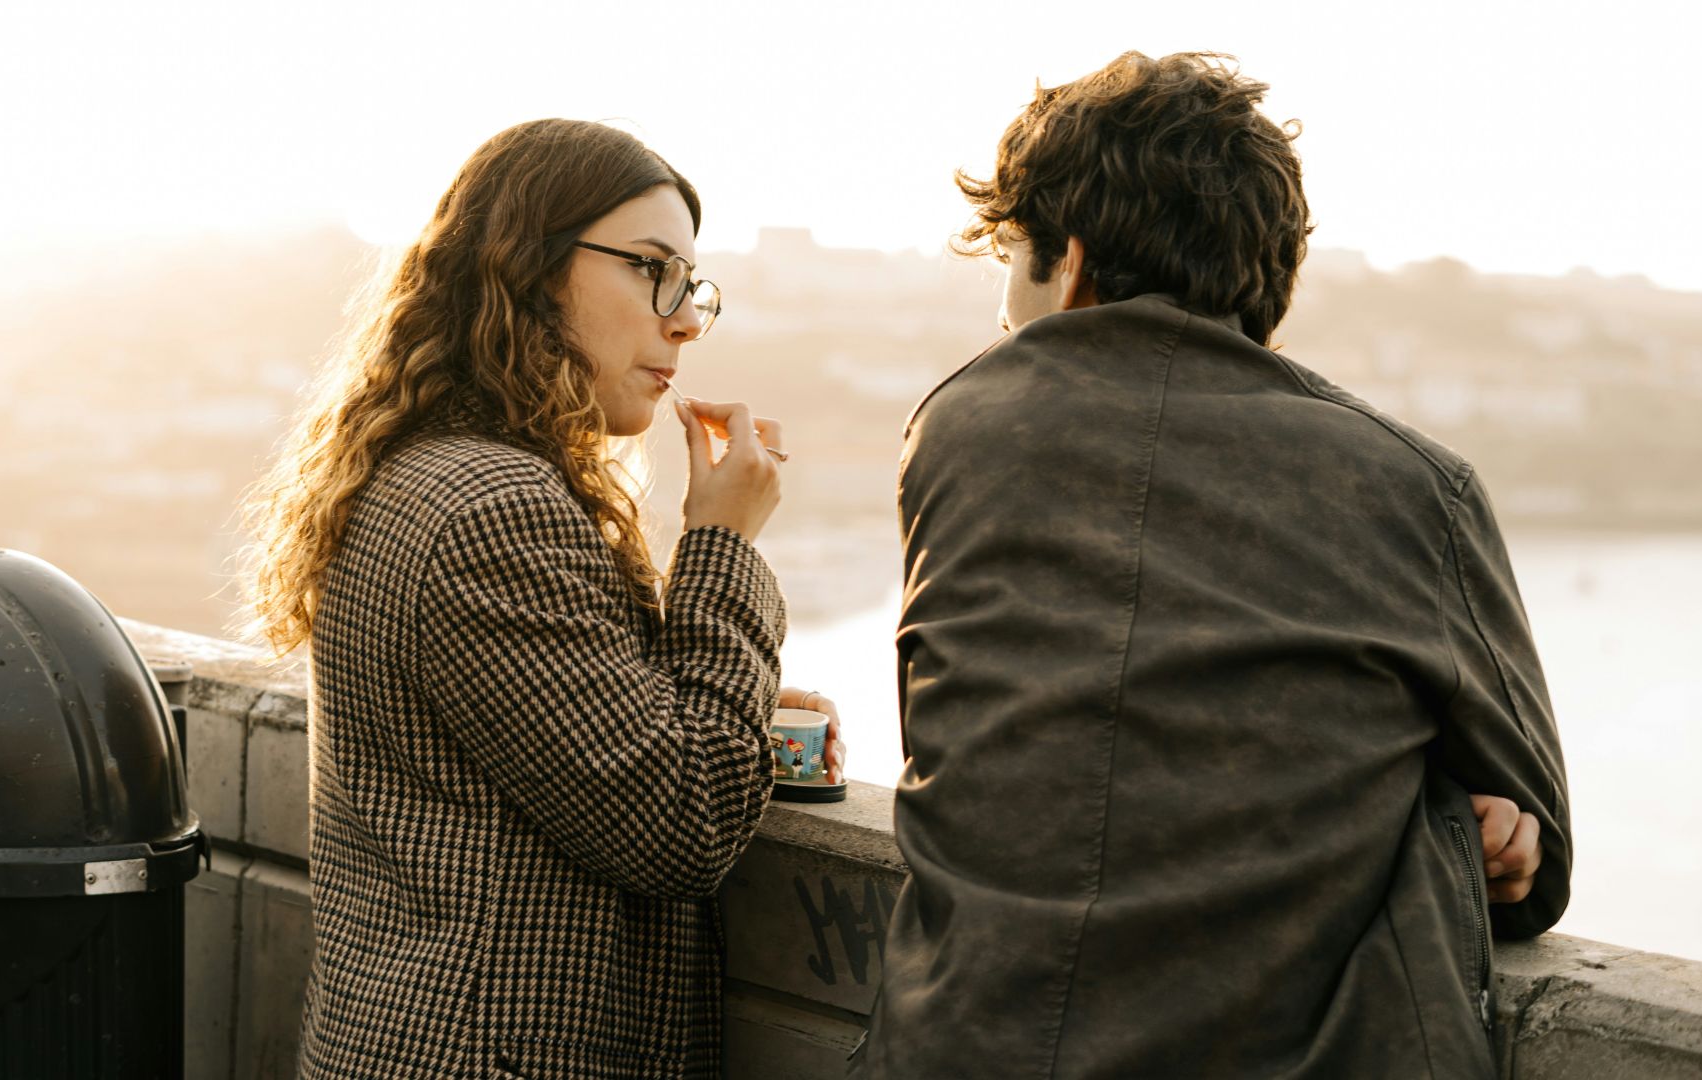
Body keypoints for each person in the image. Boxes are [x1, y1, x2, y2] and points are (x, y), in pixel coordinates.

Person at [860, 52, 1571, 1077]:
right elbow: (1540, 867)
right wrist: (1461, 821)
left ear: (1068, 264)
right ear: (1265, 278)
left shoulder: (957, 428)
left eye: (1012, 261)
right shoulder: (1415, 485)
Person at [239, 118, 842, 1079]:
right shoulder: (495, 508)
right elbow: (680, 825)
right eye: (652, 270)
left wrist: (725, 707)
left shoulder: (425, 471)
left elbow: (549, 732)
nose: (683, 319)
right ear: (529, 266)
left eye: (692, 288)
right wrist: (721, 545)